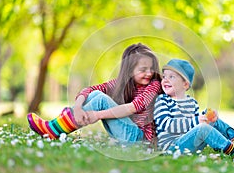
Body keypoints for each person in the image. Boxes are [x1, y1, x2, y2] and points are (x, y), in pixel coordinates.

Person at [27, 43, 162, 143]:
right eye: (143, 69)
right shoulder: (122, 84)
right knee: (96, 94)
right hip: (128, 133)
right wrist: (79, 107)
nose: (149, 73)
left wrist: (97, 115)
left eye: (151, 68)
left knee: (101, 100)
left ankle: (55, 128)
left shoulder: (154, 85)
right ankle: (57, 126)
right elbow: (89, 90)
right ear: (129, 69)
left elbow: (133, 107)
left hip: (140, 139)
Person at [154, 59, 234, 158]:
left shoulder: (191, 102)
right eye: (164, 76)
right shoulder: (162, 100)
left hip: (189, 144)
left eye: (171, 77)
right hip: (171, 148)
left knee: (210, 120)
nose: (165, 80)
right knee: (203, 128)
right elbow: (167, 125)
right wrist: (197, 121)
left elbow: (193, 126)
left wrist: (208, 118)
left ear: (185, 84)